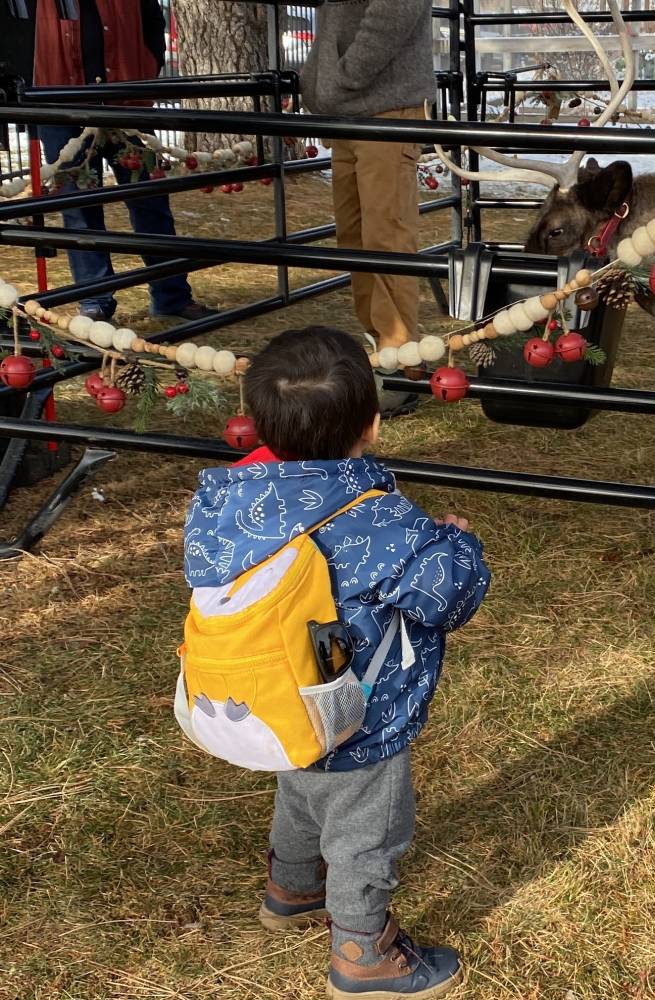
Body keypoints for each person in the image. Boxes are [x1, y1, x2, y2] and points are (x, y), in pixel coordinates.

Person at [183, 326, 490, 999]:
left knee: (301, 785)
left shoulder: (228, 503)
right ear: (373, 426)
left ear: (258, 421)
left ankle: (291, 888)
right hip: (359, 711)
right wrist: (456, 543)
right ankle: (363, 952)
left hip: (273, 696)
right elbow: (448, 597)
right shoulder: (381, 520)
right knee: (366, 831)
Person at [33, 0, 216, 323]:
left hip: (127, 102)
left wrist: (146, 66)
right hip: (60, 104)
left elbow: (151, 21)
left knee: (150, 203)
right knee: (79, 209)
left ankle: (171, 296)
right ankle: (95, 300)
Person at [299, 0, 437, 418]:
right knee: (356, 240)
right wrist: (324, 81)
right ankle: (382, 355)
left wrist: (340, 77)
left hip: (383, 104)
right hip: (352, 107)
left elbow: (395, 10)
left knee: (386, 238)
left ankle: (400, 366)